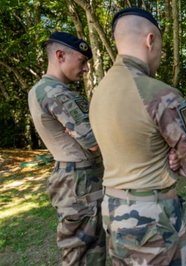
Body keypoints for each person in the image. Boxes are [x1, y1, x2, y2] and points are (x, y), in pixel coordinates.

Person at [89, 7, 186, 266]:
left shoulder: (98, 93)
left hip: (113, 210)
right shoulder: (158, 94)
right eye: (161, 48)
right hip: (152, 219)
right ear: (150, 40)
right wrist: (180, 160)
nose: (160, 57)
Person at [28, 32, 106, 265]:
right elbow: (93, 141)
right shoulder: (56, 93)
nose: (85, 70)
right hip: (80, 182)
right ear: (60, 55)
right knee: (83, 253)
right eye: (82, 62)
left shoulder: (42, 90)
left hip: (76, 179)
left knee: (85, 250)